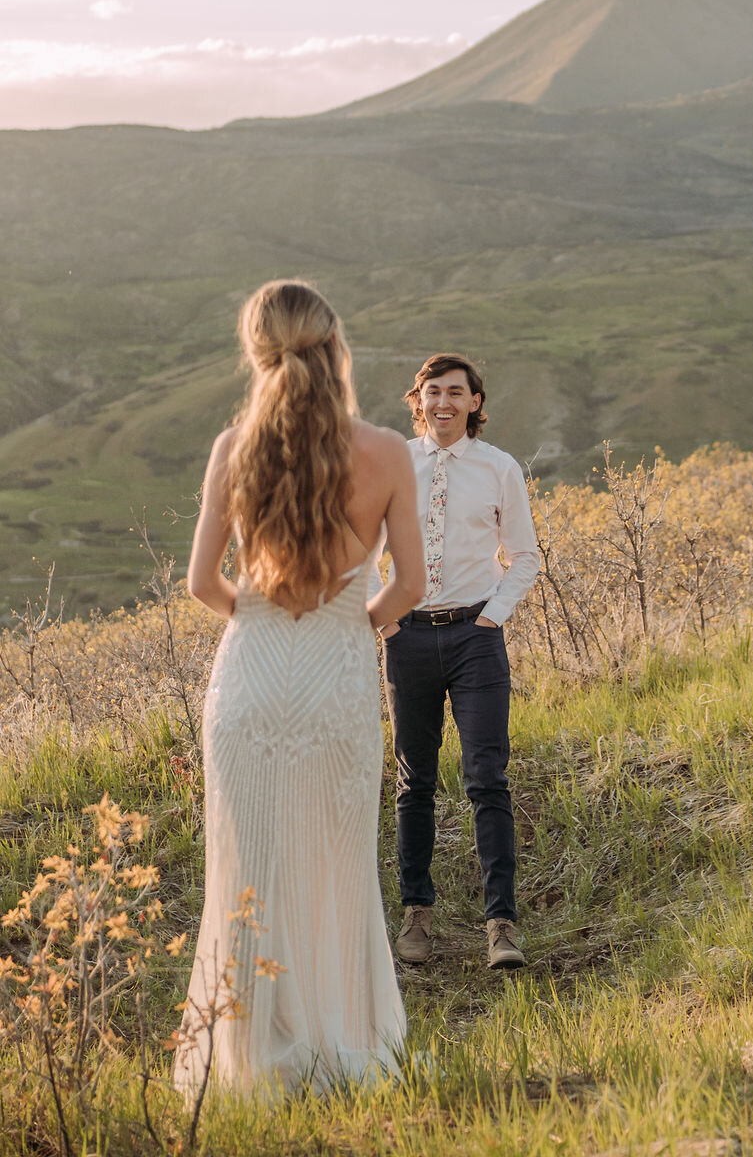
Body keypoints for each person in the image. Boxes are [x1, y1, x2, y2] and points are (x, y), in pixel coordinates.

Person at [172, 279, 425, 1097]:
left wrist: (260, 617)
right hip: (335, 683)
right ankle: (339, 1042)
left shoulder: (231, 447)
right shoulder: (387, 450)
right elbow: (413, 585)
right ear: (334, 343)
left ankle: (250, 1060)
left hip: (247, 682)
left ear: (257, 350)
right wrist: (352, 620)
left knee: (248, 870)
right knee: (337, 867)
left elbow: (201, 583)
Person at [377, 352, 540, 970]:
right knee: (414, 781)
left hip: (476, 637)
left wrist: (492, 616)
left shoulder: (499, 469)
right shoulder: (393, 464)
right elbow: (360, 548)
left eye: (455, 392)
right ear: (416, 400)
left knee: (487, 780)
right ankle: (416, 916)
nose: (442, 402)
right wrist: (384, 617)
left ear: (475, 402)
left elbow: (524, 555)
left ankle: (501, 926)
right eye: (431, 392)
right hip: (407, 636)